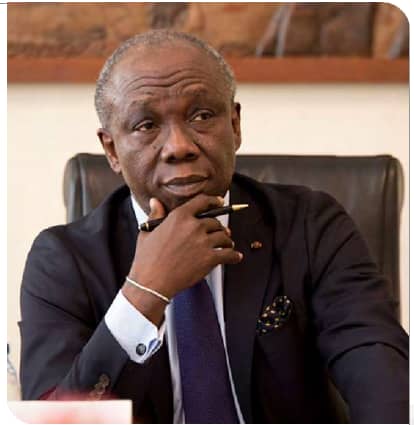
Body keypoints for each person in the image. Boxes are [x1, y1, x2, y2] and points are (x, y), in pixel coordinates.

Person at [20, 30, 408, 424]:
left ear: (235, 125)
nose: (178, 146)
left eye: (202, 116)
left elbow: (382, 374)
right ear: (112, 150)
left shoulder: (311, 225)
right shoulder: (63, 261)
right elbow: (55, 418)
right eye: (146, 125)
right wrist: (143, 294)